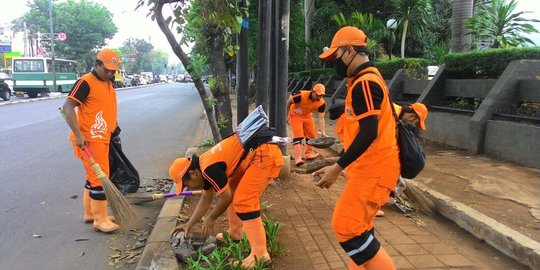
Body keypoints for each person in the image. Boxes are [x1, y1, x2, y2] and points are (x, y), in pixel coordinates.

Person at [315, 26, 400, 269]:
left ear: (350, 51)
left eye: (335, 56)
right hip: (372, 167)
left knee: (346, 226)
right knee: (359, 228)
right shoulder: (365, 80)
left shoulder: (365, 82)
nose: (334, 63)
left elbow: (369, 132)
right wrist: (339, 162)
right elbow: (366, 129)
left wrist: (338, 166)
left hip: (375, 169)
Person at [170, 133, 283, 267]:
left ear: (192, 173)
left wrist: (211, 217)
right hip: (256, 153)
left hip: (264, 155)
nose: (188, 188)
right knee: (234, 190)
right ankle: (236, 232)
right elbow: (206, 198)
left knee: (244, 201)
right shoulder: (203, 165)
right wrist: (189, 224)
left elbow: (225, 197)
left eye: (187, 185)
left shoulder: (209, 169)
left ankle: (260, 254)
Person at [62, 48, 121, 233]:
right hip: (89, 139)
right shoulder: (86, 82)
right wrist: (78, 134)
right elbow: (67, 107)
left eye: (114, 71)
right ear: (96, 65)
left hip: (103, 137)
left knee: (92, 177)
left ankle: (91, 213)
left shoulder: (107, 82)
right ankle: (100, 220)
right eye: (107, 70)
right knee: (99, 179)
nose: (110, 73)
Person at [287, 83, 327, 166]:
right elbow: (289, 101)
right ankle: (298, 158)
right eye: (318, 95)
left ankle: (308, 154)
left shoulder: (321, 103)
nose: (319, 97)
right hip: (295, 115)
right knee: (298, 135)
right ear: (312, 92)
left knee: (312, 135)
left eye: (321, 95)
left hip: (307, 116)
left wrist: (323, 132)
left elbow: (321, 118)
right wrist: (286, 115)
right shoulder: (301, 95)